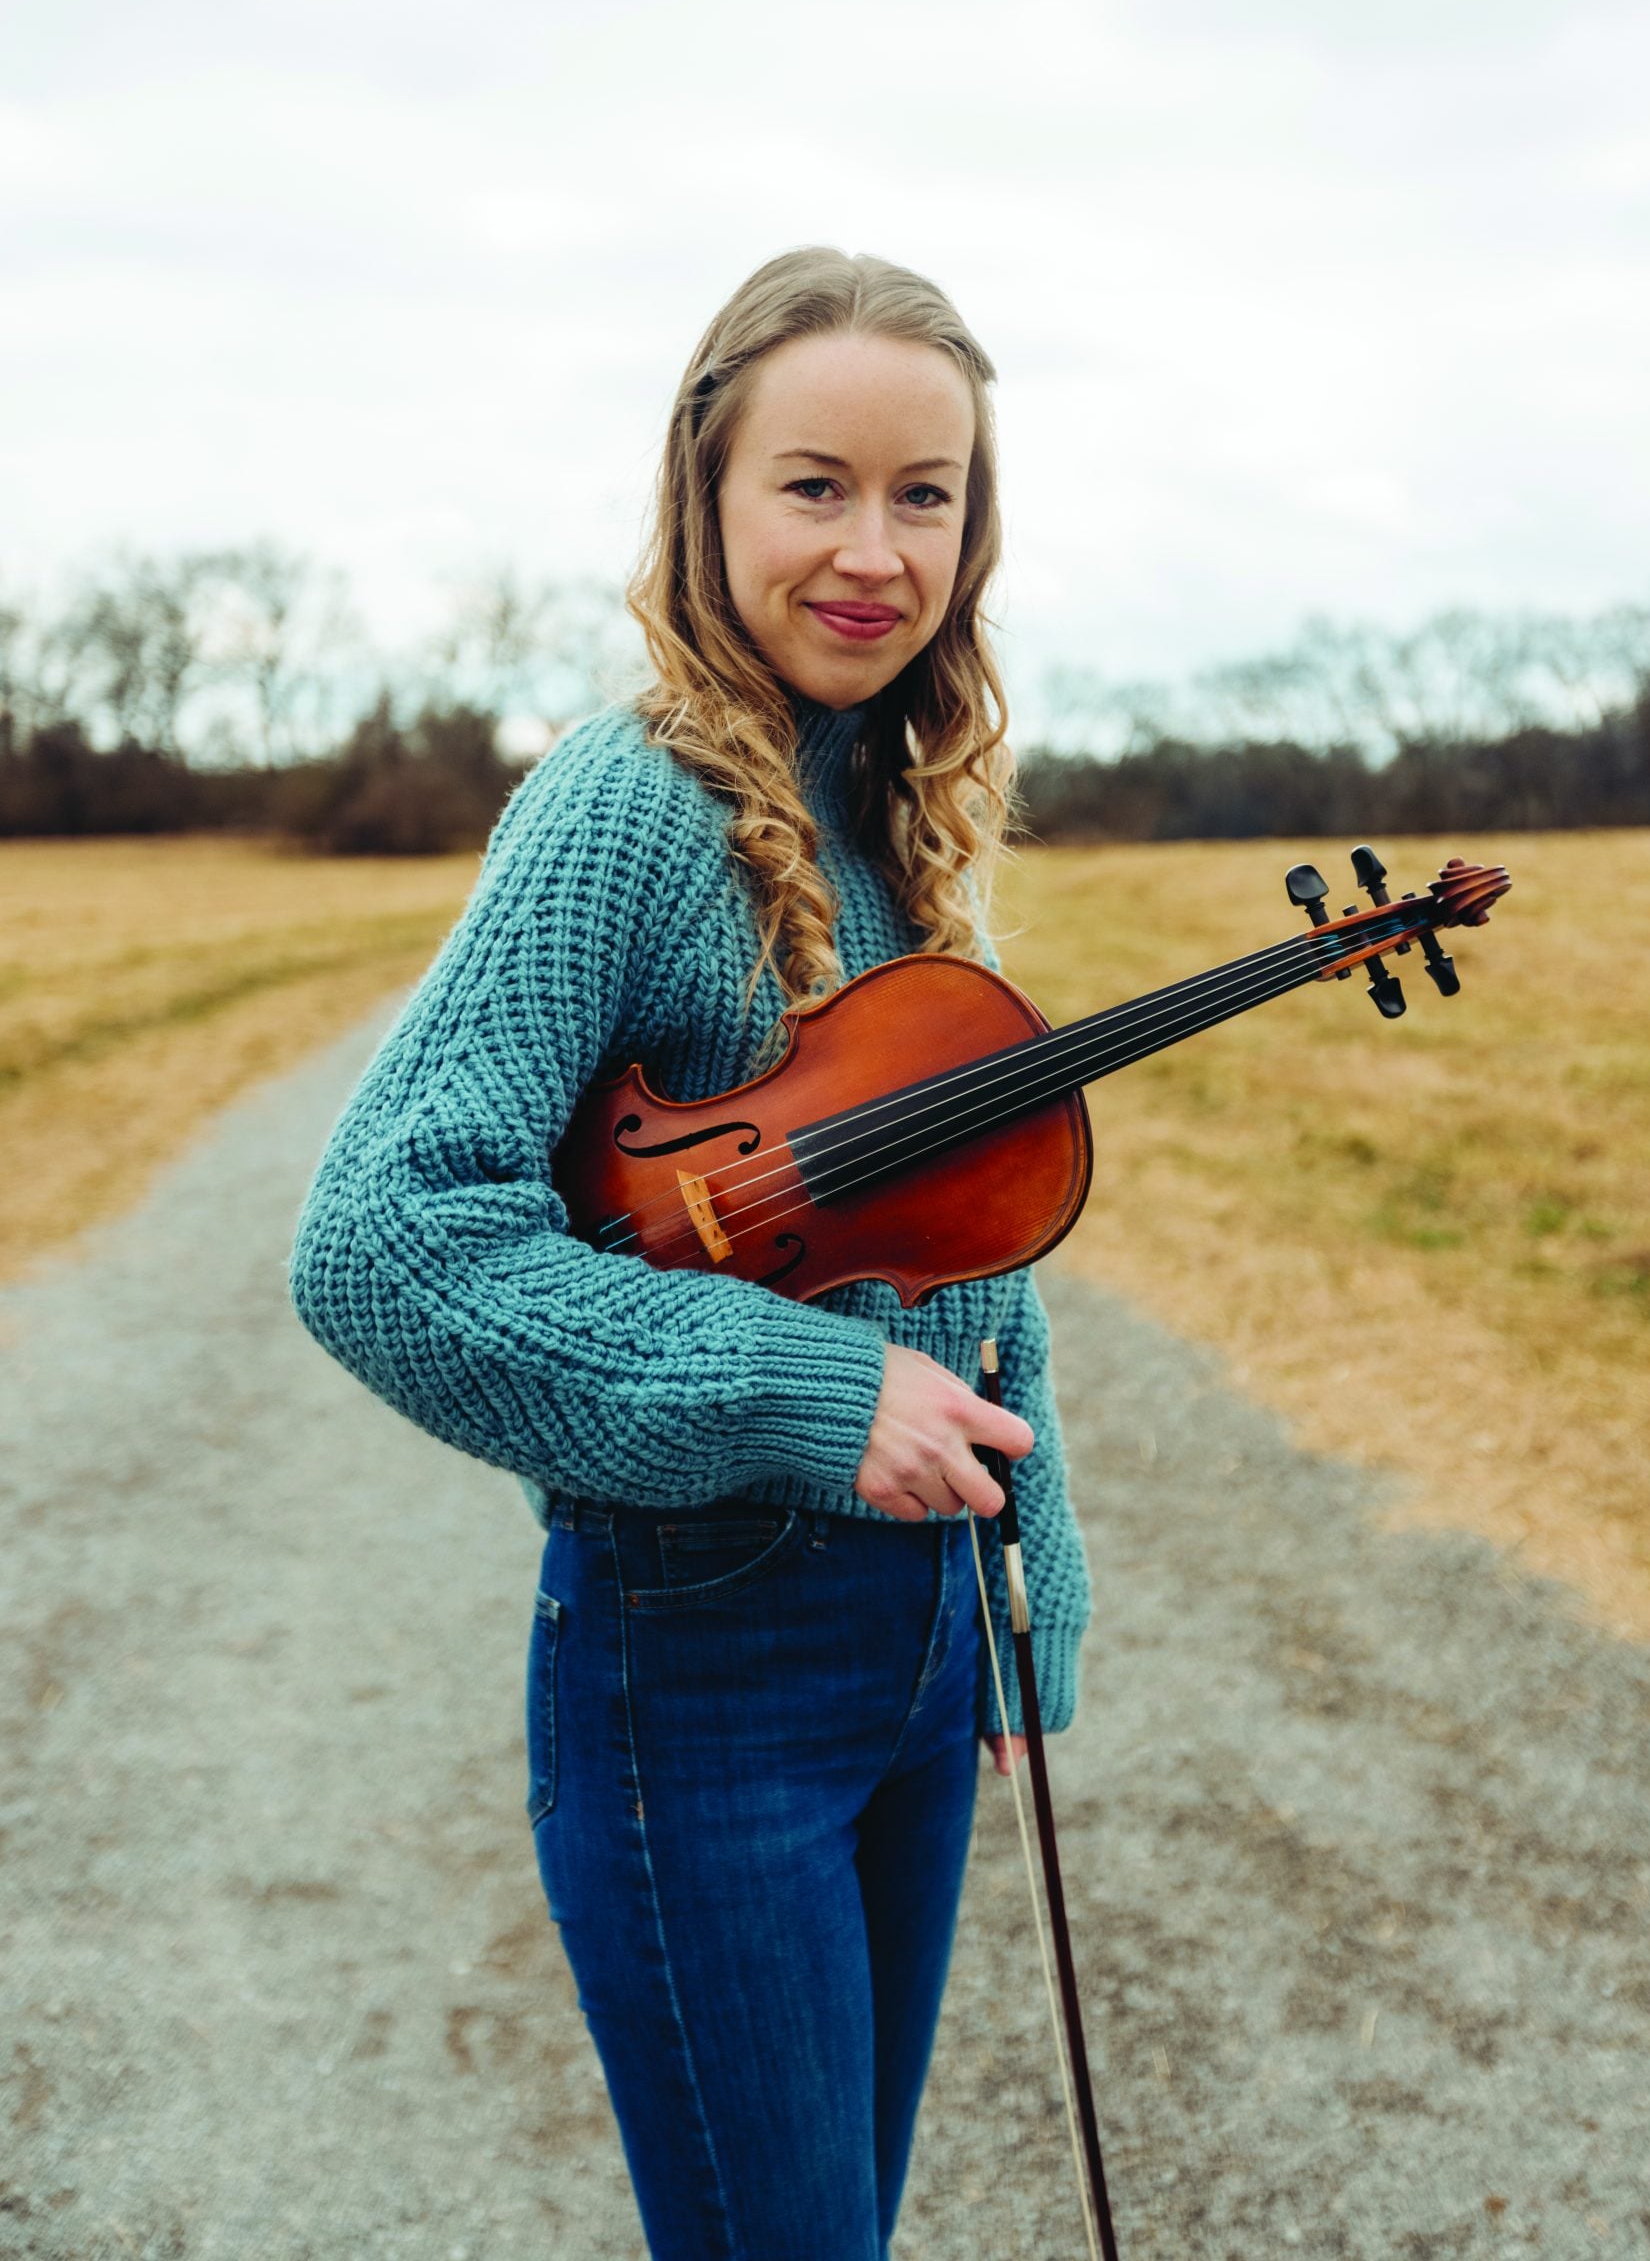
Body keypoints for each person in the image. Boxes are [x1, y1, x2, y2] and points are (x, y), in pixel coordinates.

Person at [289, 246, 1093, 2261]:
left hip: (923, 1646)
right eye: (812, 483)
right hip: (706, 1666)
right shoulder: (621, 804)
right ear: (704, 497)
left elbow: (962, 1244)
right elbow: (381, 1236)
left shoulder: (914, 819)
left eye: (926, 494)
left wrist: (1033, 1555)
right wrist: (799, 1392)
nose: (870, 547)